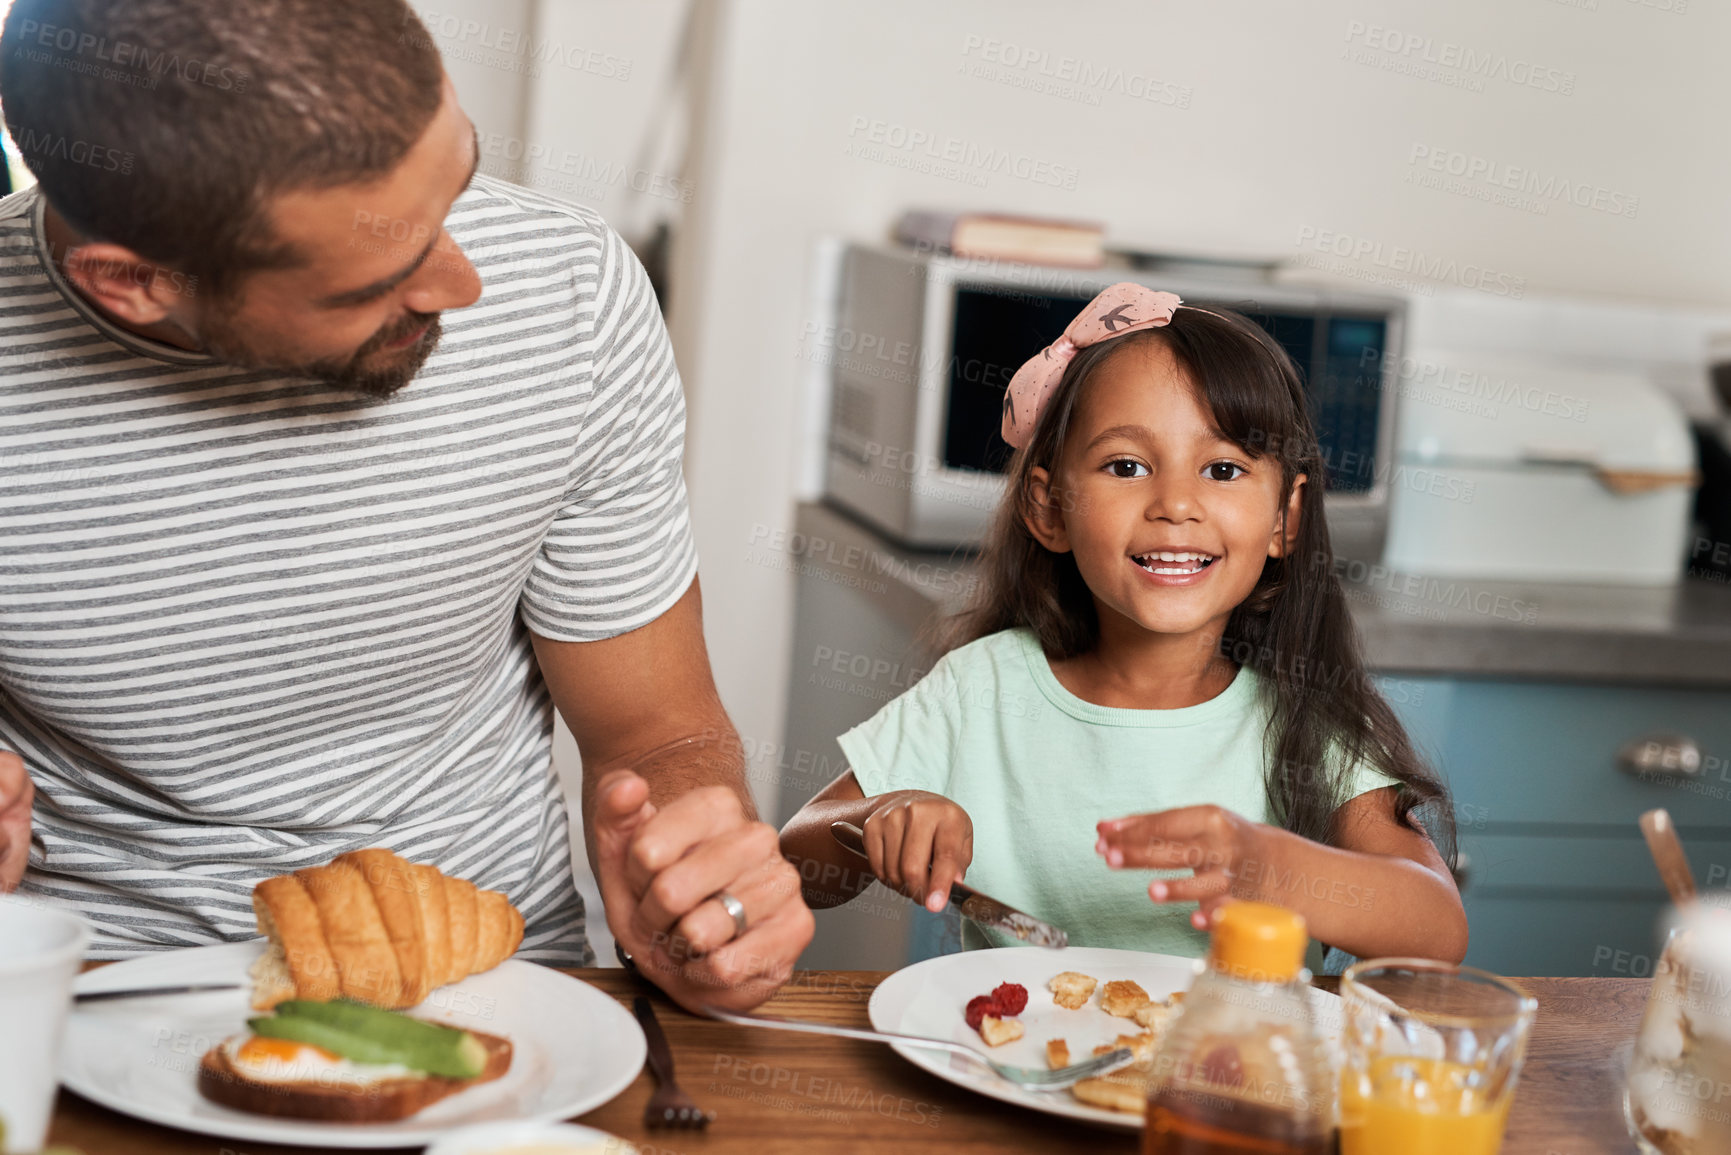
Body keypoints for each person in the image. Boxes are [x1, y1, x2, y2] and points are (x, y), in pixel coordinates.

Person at [0, 0, 812, 1011]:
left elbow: (655, 734)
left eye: (457, 185)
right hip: (90, 995)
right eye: (376, 281)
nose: (466, 283)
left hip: (492, 987)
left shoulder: (569, 294)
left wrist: (702, 881)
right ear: (132, 283)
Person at [781, 284, 1467, 963]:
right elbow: (799, 859)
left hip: (1233, 1070)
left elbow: (1437, 928)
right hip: (1013, 1065)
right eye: (1126, 466)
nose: (1174, 503)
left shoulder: (1304, 717)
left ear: (1285, 516)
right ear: (1049, 508)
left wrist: (1271, 866)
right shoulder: (981, 688)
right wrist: (874, 819)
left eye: (1222, 468)